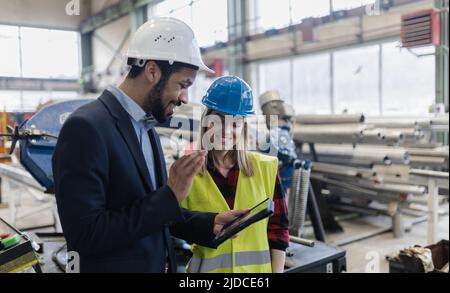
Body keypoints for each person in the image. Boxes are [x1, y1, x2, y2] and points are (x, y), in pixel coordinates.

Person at [52, 18, 248, 273]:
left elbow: (153, 214)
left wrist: (208, 223)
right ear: (153, 71)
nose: (185, 98)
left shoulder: (146, 128)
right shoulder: (86, 128)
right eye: (183, 85)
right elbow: (86, 235)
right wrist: (171, 194)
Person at [181, 76, 290, 273]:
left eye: (236, 123)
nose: (227, 131)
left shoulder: (266, 168)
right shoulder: (187, 173)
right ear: (207, 121)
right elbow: (174, 226)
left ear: (243, 128)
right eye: (219, 120)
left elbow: (278, 230)